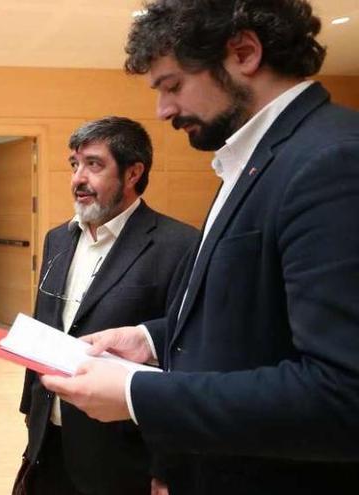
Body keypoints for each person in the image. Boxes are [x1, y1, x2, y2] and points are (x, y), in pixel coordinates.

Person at [39, 1, 359, 494]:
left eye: (173, 86)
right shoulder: (252, 159)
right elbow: (256, 318)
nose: (164, 110)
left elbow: (344, 395)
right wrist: (151, 338)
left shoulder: (332, 159)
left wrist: (136, 391)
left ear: (244, 53)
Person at [20, 117, 198, 495]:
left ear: (134, 172)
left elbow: (185, 357)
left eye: (94, 164)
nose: (78, 178)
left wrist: (167, 467)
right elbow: (48, 325)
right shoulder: (58, 239)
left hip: (120, 453)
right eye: (74, 164)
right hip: (48, 441)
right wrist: (31, 417)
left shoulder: (178, 245)